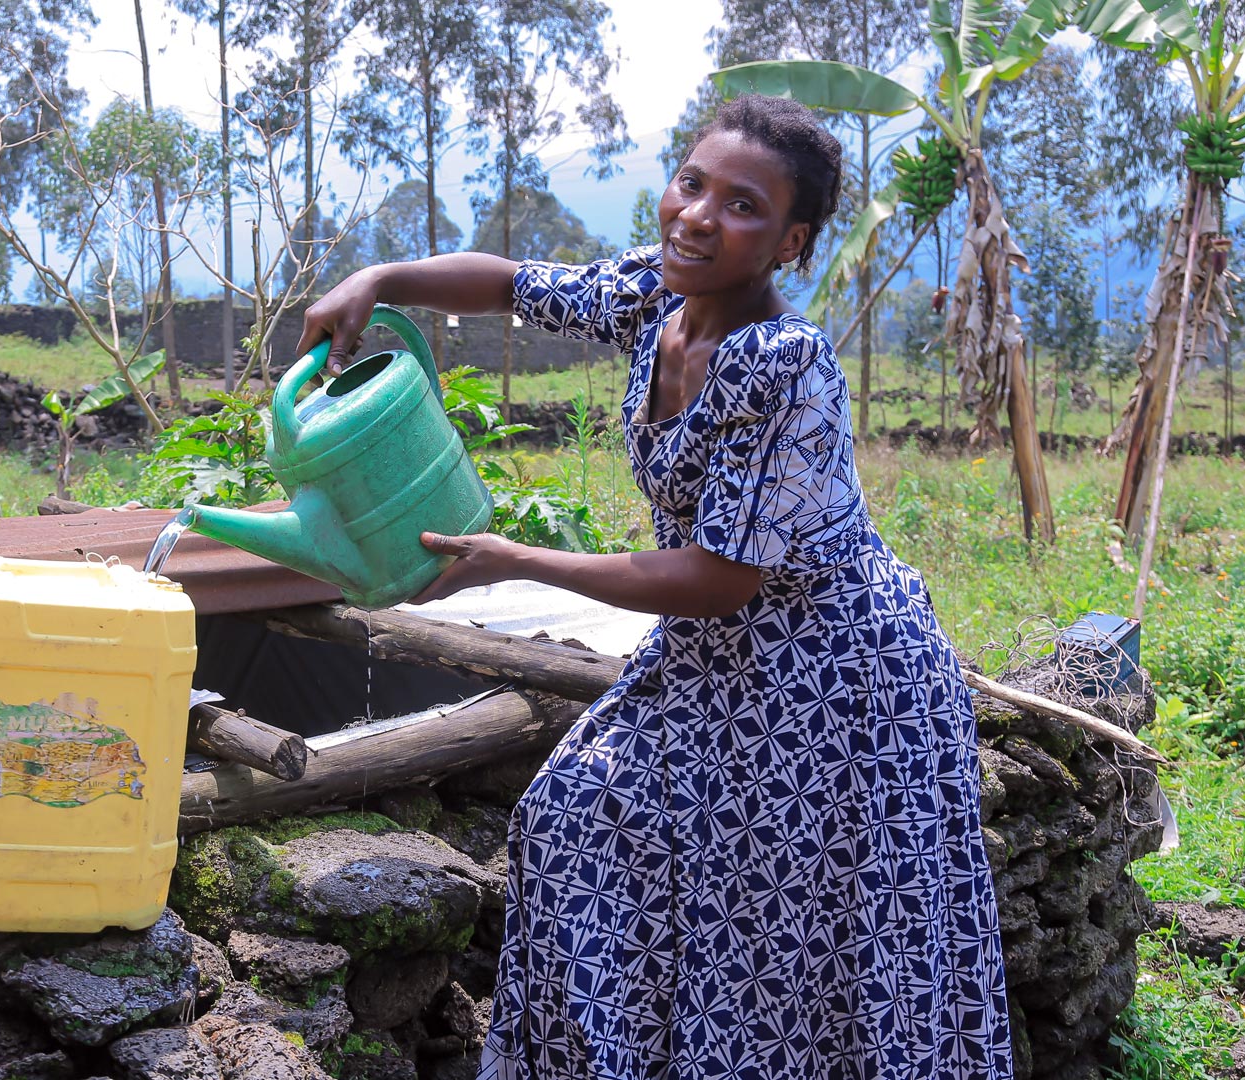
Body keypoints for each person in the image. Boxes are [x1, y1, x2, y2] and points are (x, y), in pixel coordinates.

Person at [295, 94, 1012, 1079]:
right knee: (568, 822)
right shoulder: (654, 298)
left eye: (743, 205)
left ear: (791, 242)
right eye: (691, 184)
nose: (699, 216)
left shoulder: (784, 365)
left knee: (785, 935)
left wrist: (514, 558)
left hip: (839, 678)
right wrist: (381, 278)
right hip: (721, 659)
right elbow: (509, 282)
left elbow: (719, 577)